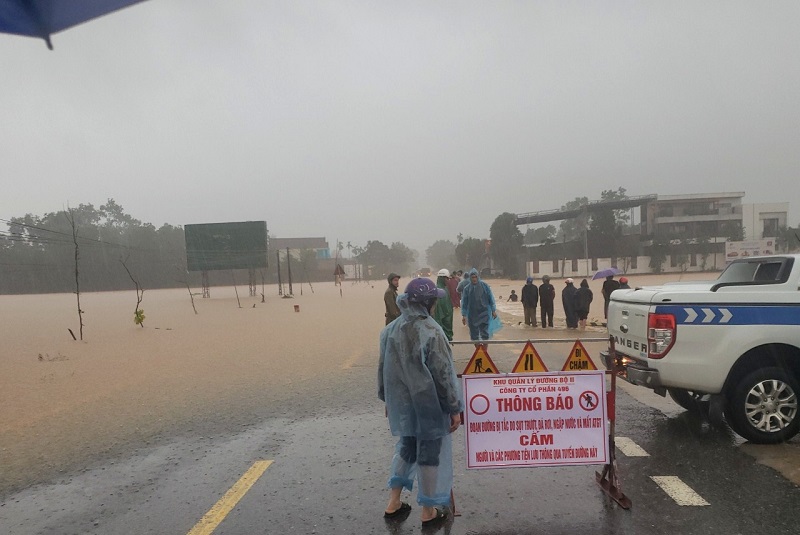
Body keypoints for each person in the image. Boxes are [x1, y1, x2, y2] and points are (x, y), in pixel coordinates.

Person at [378, 278, 462, 526]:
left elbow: (383, 371)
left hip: (403, 405)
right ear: (428, 302)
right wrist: (454, 408)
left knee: (407, 447)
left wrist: (388, 400)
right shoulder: (432, 331)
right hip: (429, 406)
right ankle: (428, 510)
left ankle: (393, 502)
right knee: (429, 454)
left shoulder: (390, 330)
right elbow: (444, 374)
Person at [460, 268, 500, 341]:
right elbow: (464, 303)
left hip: (484, 313)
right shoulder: (467, 289)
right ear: (470, 278)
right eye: (472, 277)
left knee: (485, 334)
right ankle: (478, 350)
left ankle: (484, 351)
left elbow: (490, 298)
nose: (474, 279)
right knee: (474, 336)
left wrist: (493, 310)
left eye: (475, 277)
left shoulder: (485, 286)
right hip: (472, 315)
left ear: (478, 277)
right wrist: (464, 315)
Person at [433, 269, 454, 341]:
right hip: (443, 325)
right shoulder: (438, 292)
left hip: (447, 323)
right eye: (447, 278)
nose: (448, 280)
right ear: (442, 278)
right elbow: (438, 313)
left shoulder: (446, 289)